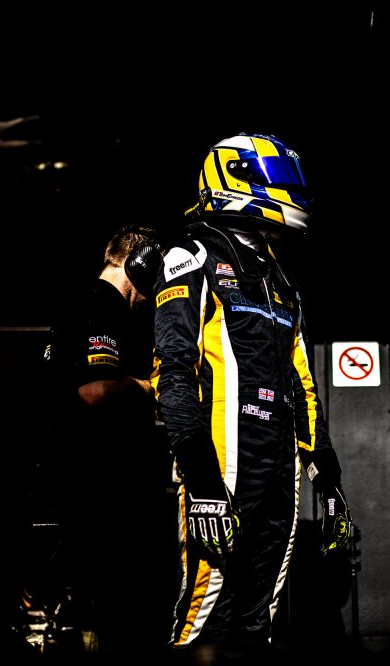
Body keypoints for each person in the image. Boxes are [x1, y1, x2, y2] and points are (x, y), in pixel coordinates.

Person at [128, 132, 352, 655]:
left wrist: (328, 479)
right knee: (206, 616)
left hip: (279, 469)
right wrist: (202, 482)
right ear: (234, 178)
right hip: (221, 467)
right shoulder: (191, 256)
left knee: (259, 622)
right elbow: (173, 373)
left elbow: (303, 386)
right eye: (280, 179)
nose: (293, 191)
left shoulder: (281, 279)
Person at [40, 223, 173, 656]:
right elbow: (94, 391)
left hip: (82, 484)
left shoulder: (85, 306)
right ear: (142, 265)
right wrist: (156, 387)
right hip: (97, 490)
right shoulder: (102, 307)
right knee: (111, 613)